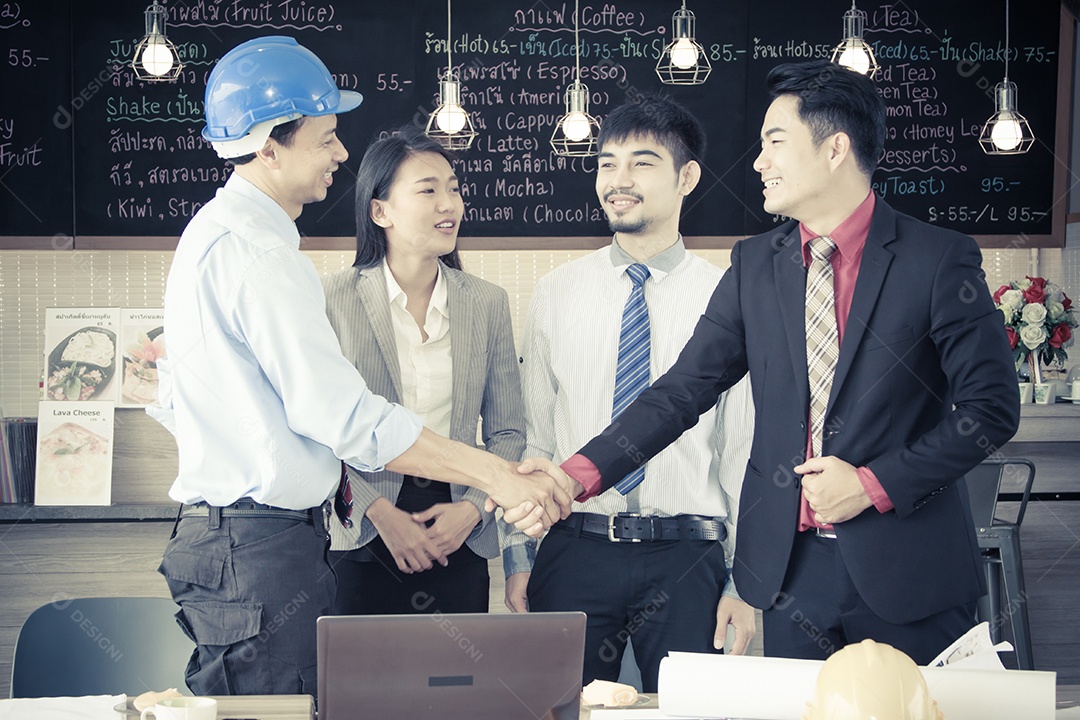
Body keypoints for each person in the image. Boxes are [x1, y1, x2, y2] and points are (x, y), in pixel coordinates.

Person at [530, 60, 1021, 665]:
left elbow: (990, 411)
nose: (758, 161)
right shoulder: (756, 264)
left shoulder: (937, 259)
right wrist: (575, 475)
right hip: (792, 575)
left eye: (774, 141)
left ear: (835, 147)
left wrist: (872, 485)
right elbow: (682, 392)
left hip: (909, 571)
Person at [150, 36, 572, 696]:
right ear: (269, 146)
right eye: (323, 140)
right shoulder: (263, 257)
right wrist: (498, 476)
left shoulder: (223, 238)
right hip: (261, 546)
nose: (340, 155)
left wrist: (477, 495)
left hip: (256, 542)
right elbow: (342, 418)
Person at [504, 96, 757, 693]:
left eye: (642, 164)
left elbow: (743, 451)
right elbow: (533, 435)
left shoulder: (728, 295)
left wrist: (743, 584)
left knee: (691, 711)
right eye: (606, 163)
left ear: (686, 176)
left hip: (688, 555)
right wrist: (520, 553)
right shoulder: (557, 291)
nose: (618, 181)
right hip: (574, 548)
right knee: (558, 709)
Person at [323, 128, 524, 615]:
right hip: (360, 529)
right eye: (428, 189)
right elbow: (318, 429)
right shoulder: (333, 299)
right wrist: (379, 512)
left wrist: (473, 509)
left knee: (456, 684)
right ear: (380, 211)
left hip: (458, 530)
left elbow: (508, 431)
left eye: (453, 188)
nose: (449, 204)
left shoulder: (487, 303)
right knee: (359, 688)